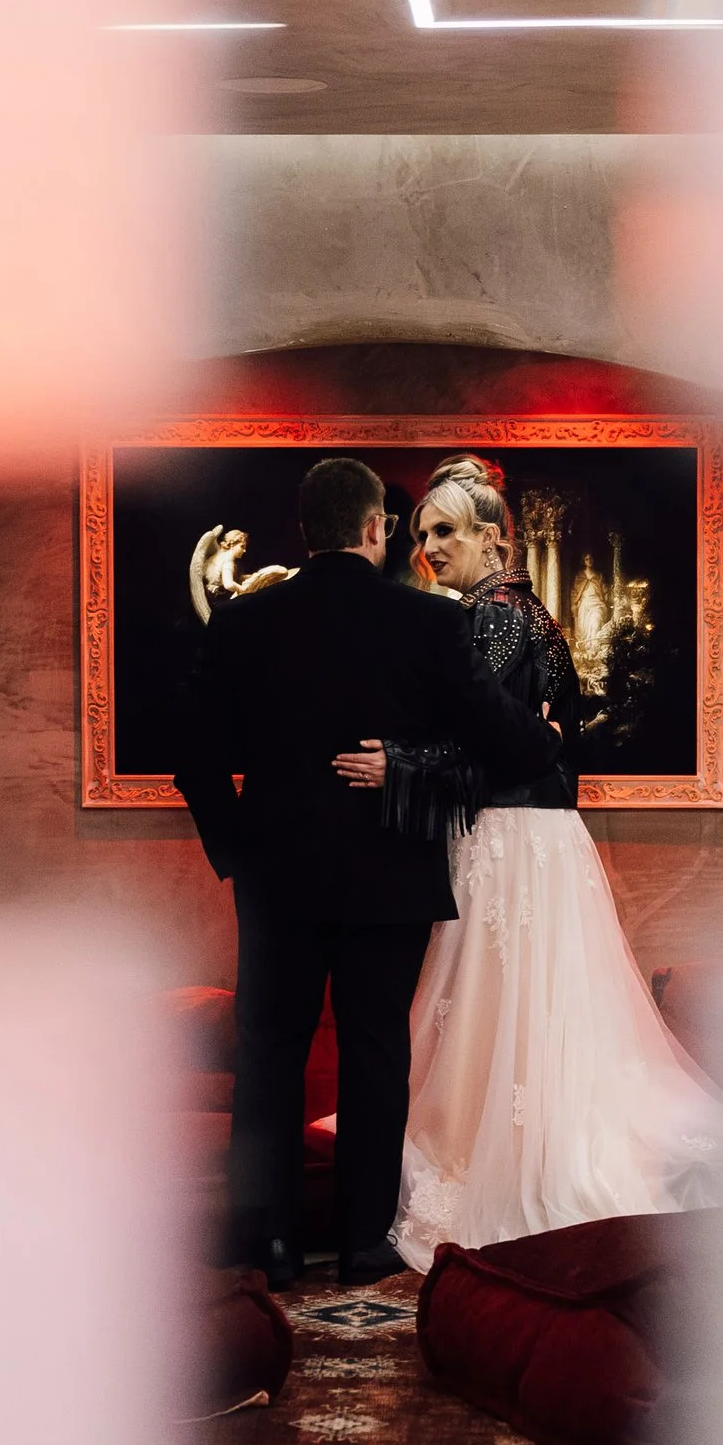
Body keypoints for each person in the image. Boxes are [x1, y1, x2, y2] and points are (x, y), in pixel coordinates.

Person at [172, 453, 568, 1288]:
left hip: (276, 878)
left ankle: (269, 1246)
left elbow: (194, 759)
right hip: (388, 873)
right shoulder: (426, 623)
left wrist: (237, 849)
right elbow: (513, 741)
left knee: (268, 1052)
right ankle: (361, 1243)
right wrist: (542, 737)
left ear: (308, 533)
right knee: (376, 1054)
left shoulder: (245, 623)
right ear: (374, 529)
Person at [332, 454, 723, 1271]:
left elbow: (486, 746)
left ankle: (510, 1159)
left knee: (504, 1011)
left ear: (492, 537)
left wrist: (399, 764)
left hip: (512, 844)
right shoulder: (512, 612)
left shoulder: (495, 617)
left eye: (445, 532)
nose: (429, 549)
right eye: (419, 535)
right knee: (521, 1012)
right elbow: (513, 743)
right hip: (530, 844)